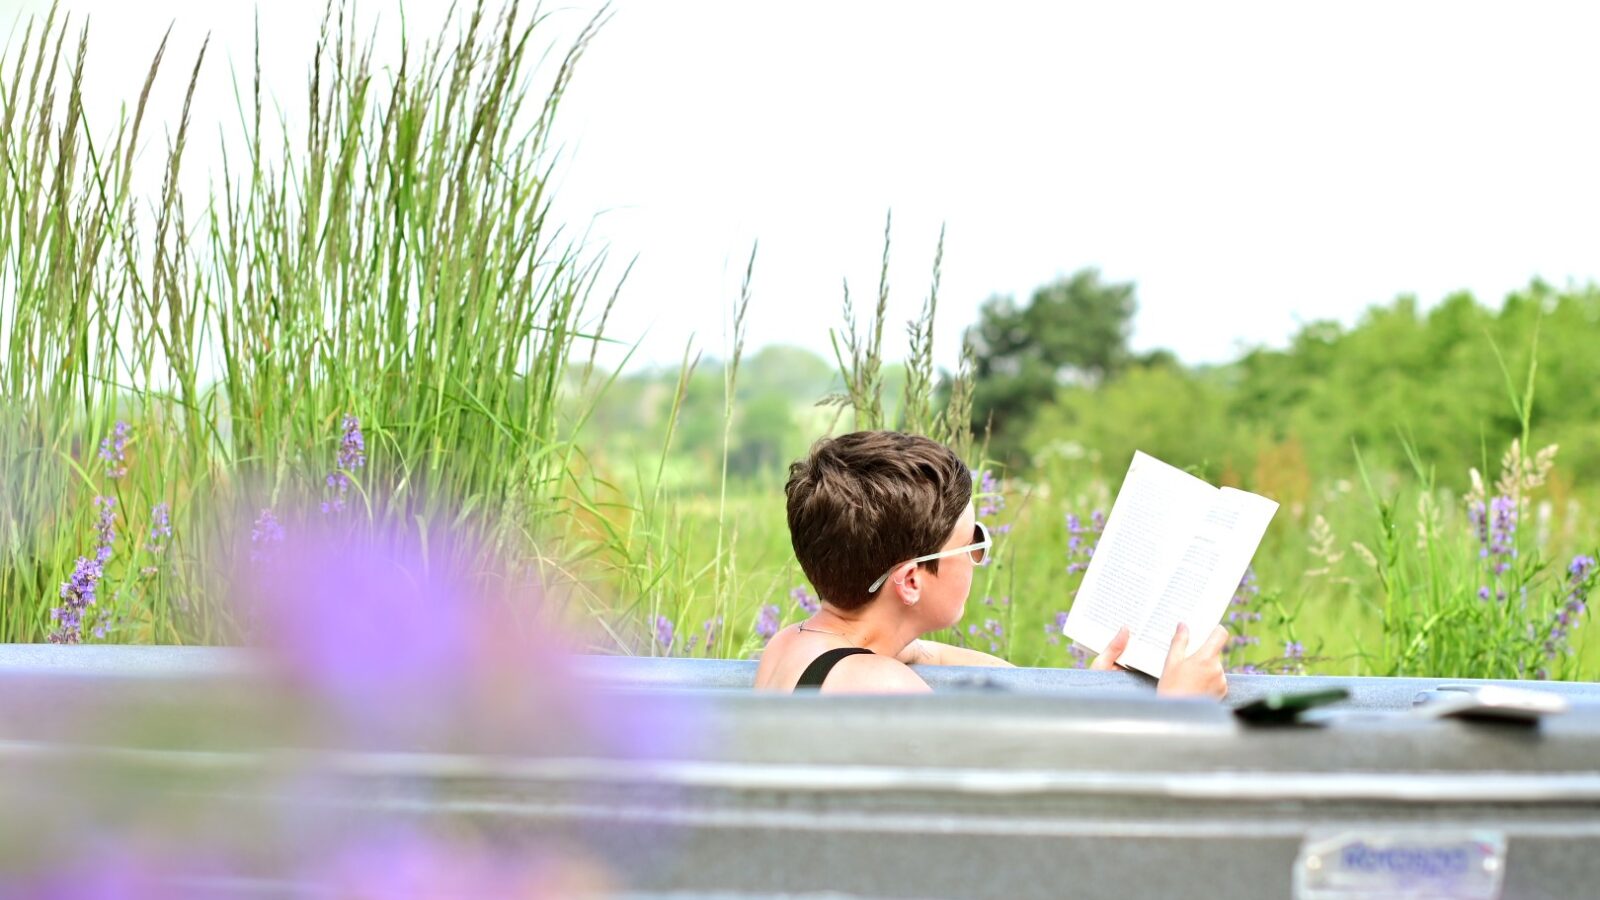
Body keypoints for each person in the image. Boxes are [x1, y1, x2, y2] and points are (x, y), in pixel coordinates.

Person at [752, 430, 1229, 697]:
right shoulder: (879, 686)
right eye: (973, 542)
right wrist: (1178, 709)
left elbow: (932, 655)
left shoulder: (795, 645)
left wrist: (1088, 693)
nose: (981, 557)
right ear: (912, 580)